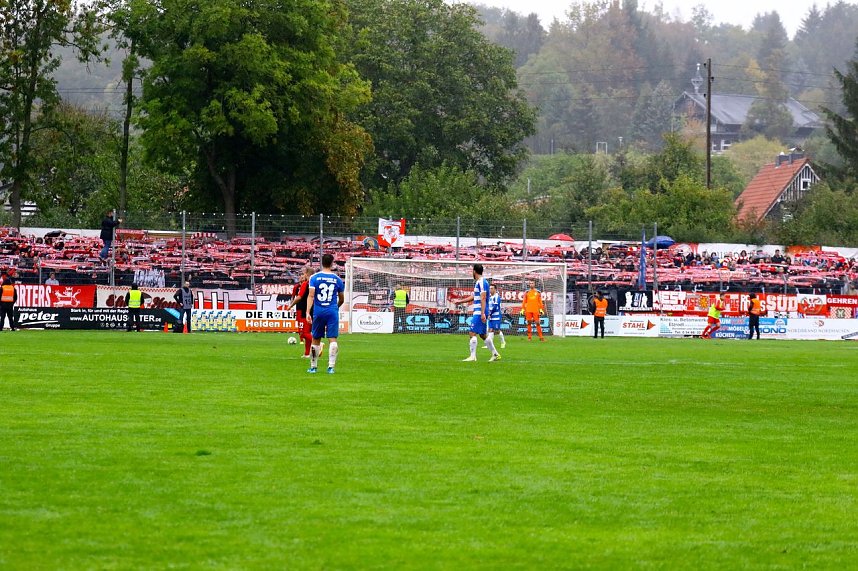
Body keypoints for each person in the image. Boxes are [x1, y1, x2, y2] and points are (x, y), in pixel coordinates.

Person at [306, 254, 345, 374]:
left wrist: (308, 312)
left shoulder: (314, 278)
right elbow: (342, 299)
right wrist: (335, 308)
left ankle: (313, 367)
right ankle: (331, 367)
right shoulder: (337, 279)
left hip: (318, 311)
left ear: (321, 263)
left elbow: (311, 296)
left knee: (316, 338)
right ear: (332, 263)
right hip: (332, 311)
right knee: (332, 339)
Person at [458, 264, 500, 362]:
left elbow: (483, 297)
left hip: (480, 311)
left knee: (472, 333)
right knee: (482, 335)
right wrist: (461, 301)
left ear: (474, 271)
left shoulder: (481, 282)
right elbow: (474, 296)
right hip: (480, 310)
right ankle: (495, 354)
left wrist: (482, 313)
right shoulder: (481, 282)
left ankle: (473, 357)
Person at [288, 266, 319, 359]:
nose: (303, 275)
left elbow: (299, 297)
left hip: (303, 311)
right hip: (313, 310)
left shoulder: (306, 284)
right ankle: (306, 353)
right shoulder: (315, 284)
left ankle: (319, 344)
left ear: (307, 274)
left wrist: (290, 305)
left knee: (304, 333)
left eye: (304, 273)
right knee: (308, 332)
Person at [484, 284, 506, 350]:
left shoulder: (497, 297)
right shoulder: (490, 297)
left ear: (495, 289)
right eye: (490, 288)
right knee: (490, 330)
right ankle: (489, 345)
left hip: (496, 316)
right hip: (490, 316)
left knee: (497, 331)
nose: (490, 290)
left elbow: (495, 307)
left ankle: (503, 342)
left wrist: (490, 314)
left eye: (492, 288)